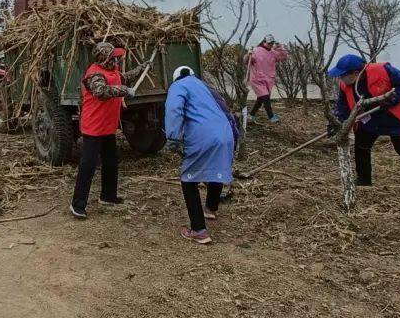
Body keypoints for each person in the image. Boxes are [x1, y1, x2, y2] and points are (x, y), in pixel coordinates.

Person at [329, 53, 400, 194]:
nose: (340, 78)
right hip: (369, 117)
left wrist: (390, 100)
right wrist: (335, 123)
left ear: (356, 73)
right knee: (361, 147)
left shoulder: (383, 70)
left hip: (396, 115)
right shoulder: (345, 84)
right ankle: (364, 181)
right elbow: (342, 106)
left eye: (343, 75)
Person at [69, 41, 148, 219]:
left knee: (111, 161)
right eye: (114, 57)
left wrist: (142, 68)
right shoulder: (94, 75)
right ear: (104, 58)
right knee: (88, 166)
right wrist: (124, 91)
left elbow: (124, 78)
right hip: (93, 128)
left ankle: (108, 196)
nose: (117, 60)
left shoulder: (112, 71)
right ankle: (77, 205)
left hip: (107, 128)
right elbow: (101, 92)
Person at [164, 67, 237, 244]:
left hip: (204, 136)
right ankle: (211, 208)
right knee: (216, 168)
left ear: (176, 78)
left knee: (188, 180)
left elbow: (174, 108)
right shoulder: (204, 85)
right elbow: (224, 106)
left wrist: (172, 137)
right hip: (226, 133)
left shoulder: (178, 86)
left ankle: (198, 230)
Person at [247, 35, 288, 123]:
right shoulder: (256, 51)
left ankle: (251, 115)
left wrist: (280, 47)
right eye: (269, 43)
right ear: (264, 42)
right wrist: (248, 55)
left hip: (268, 79)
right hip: (257, 79)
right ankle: (271, 116)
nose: (270, 45)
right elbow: (247, 61)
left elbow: (284, 57)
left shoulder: (273, 53)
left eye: (272, 43)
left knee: (261, 98)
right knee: (265, 97)